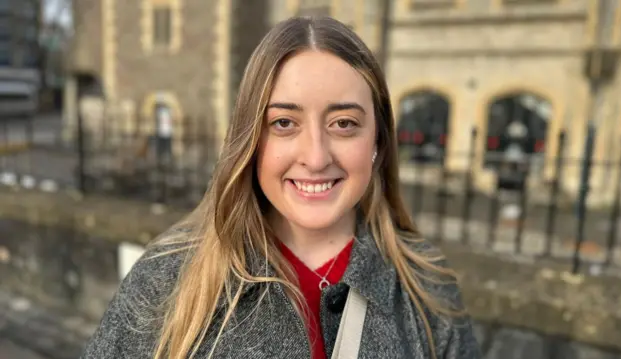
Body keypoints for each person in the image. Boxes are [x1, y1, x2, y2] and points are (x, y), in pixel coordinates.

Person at [80, 16, 480, 359]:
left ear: (377, 142)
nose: (316, 156)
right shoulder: (168, 279)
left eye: (344, 123)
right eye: (284, 123)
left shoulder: (426, 287)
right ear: (251, 140)